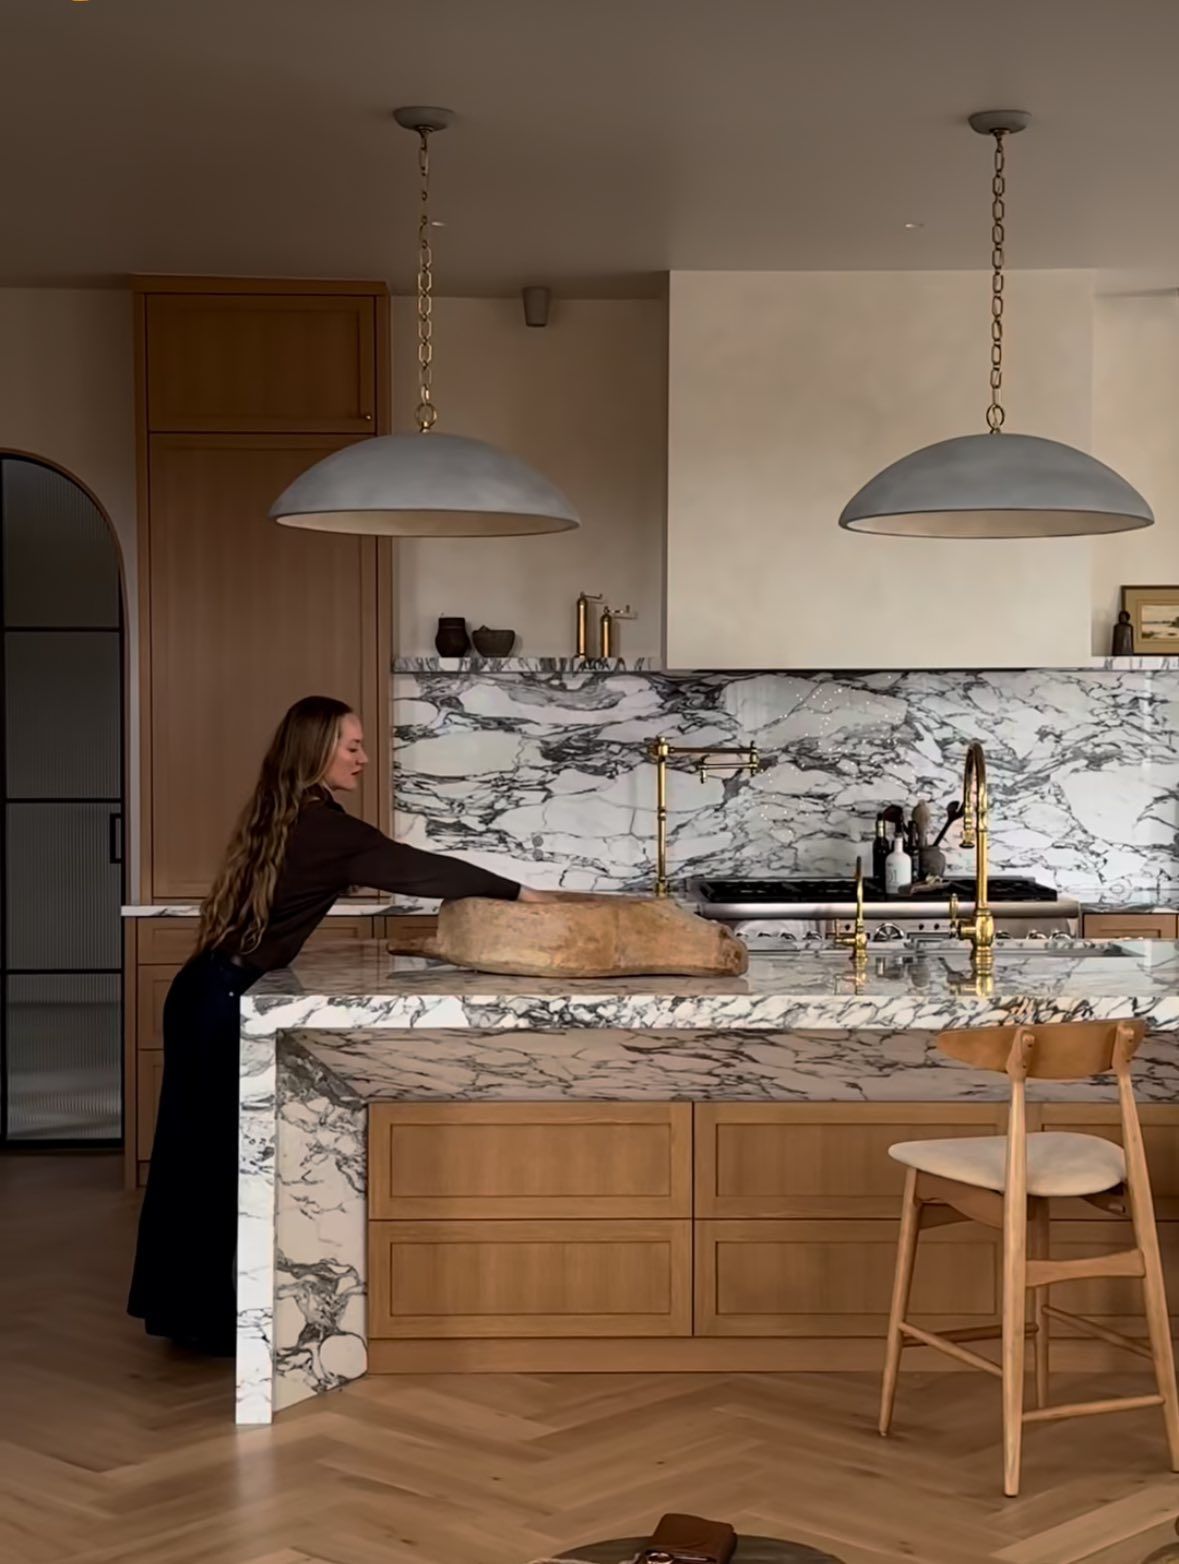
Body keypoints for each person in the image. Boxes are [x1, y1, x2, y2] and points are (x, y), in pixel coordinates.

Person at [128, 694, 549, 1354]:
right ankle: (212, 1322)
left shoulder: (296, 813)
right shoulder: (325, 829)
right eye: (351, 746)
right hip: (217, 996)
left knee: (200, 1156)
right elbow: (417, 868)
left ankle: (192, 1316)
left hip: (205, 990)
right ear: (317, 752)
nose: (363, 756)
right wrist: (520, 892)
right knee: (214, 1159)